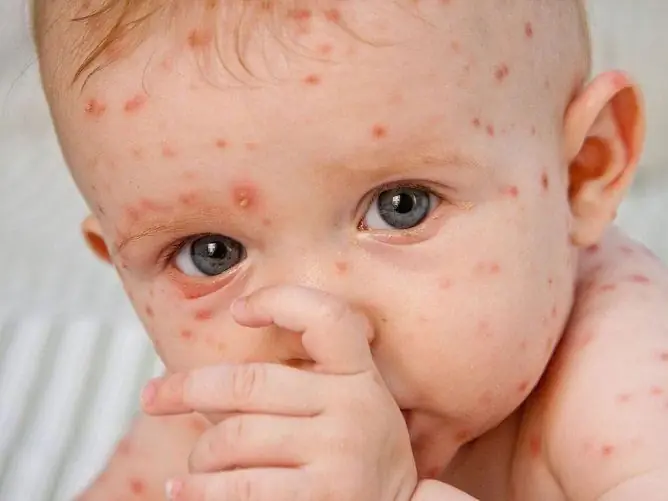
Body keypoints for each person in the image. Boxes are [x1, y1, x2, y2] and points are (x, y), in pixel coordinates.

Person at [32, 0, 668, 499]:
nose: (316, 327)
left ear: (583, 173)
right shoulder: (231, 406)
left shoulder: (621, 377)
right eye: (211, 253)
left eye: (401, 206)